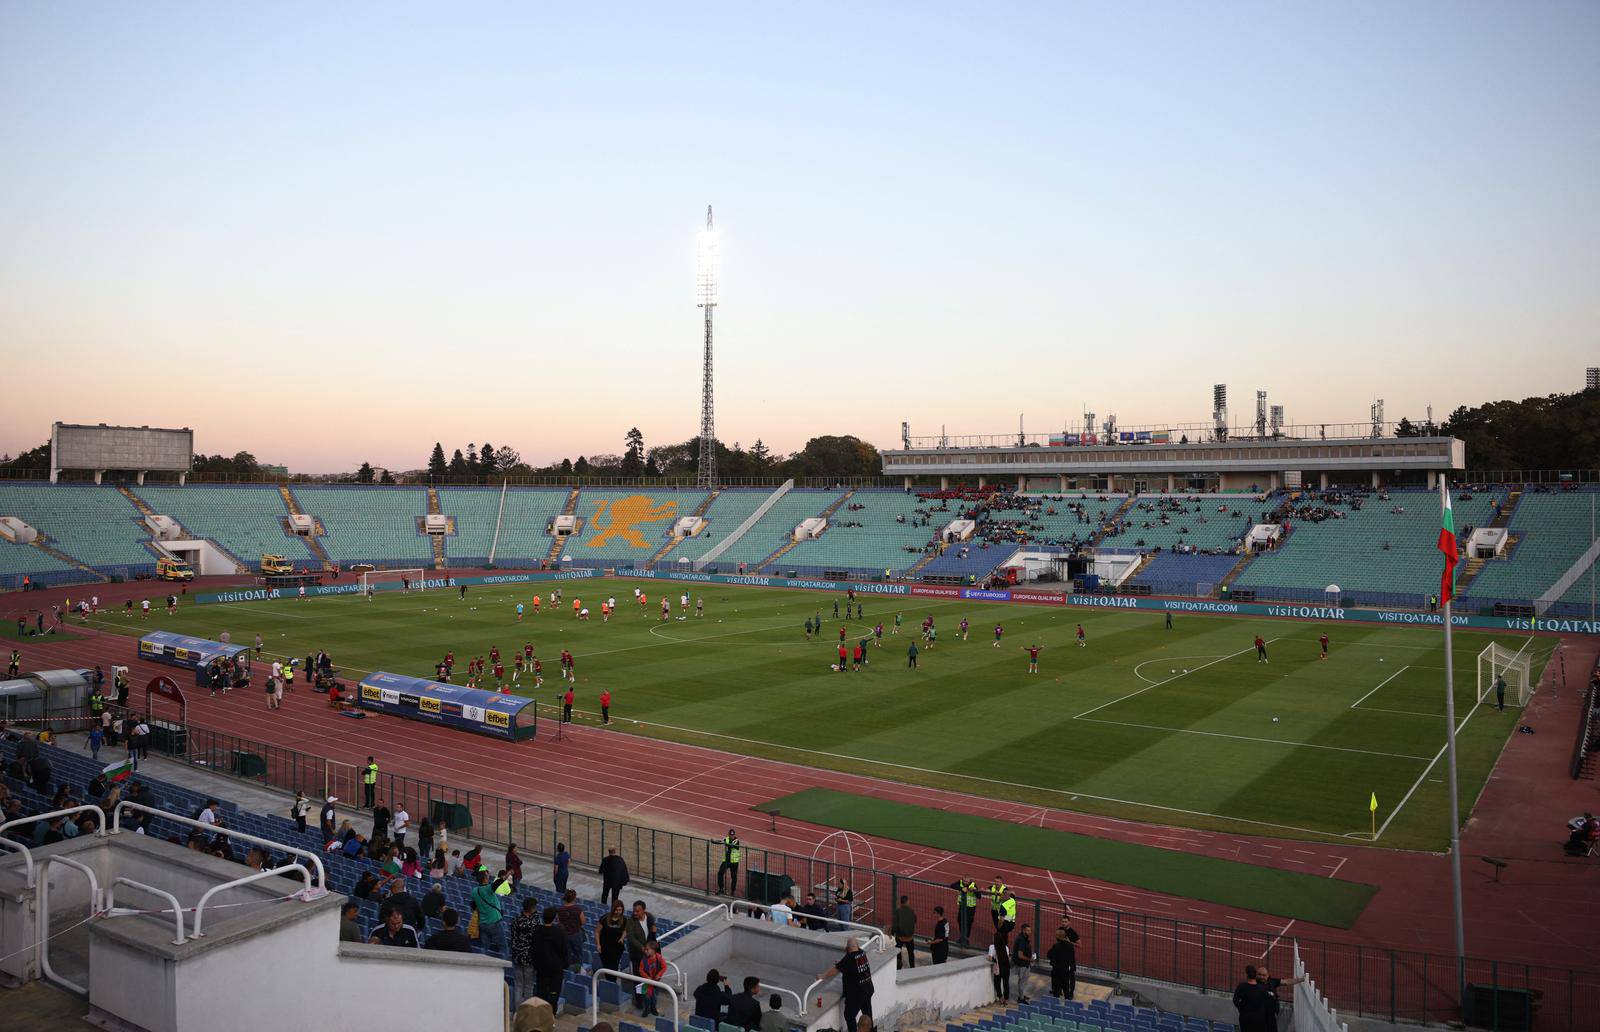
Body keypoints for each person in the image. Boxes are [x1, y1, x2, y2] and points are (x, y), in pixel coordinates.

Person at [817, 937, 875, 1032]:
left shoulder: (849, 957)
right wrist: (842, 963)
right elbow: (852, 965)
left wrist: (822, 976)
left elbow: (835, 970)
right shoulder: (862, 952)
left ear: (847, 949)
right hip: (868, 989)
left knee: (849, 1015)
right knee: (867, 1013)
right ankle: (871, 1030)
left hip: (857, 993)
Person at [531, 906, 571, 1008]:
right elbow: (564, 950)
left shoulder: (537, 931)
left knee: (542, 990)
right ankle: (551, 1013)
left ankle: (541, 1011)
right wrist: (565, 964)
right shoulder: (560, 932)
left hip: (541, 966)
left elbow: (533, 949)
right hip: (555, 967)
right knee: (554, 991)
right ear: (554, 918)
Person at [511, 898, 543, 1005]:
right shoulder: (534, 922)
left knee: (518, 985)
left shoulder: (516, 919)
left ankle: (517, 1011)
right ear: (532, 908)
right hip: (529, 957)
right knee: (528, 986)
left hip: (517, 955)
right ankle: (526, 1012)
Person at [472, 869, 507, 957]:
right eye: (487, 875)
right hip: (494, 922)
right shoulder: (488, 888)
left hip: (483, 923)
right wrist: (506, 875)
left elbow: (473, 905)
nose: (489, 876)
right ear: (484, 879)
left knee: (485, 948)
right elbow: (497, 883)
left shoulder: (475, 890)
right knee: (503, 947)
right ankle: (504, 967)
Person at [1233, 966, 1273, 1032]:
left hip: (1245, 1017)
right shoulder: (1262, 989)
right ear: (1255, 975)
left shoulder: (1242, 986)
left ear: (1247, 975)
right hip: (1259, 1019)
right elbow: (1267, 1004)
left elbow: (1235, 1001)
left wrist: (1242, 1009)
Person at [596, 899, 627, 980]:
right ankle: (608, 980)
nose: (618, 912)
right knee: (606, 966)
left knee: (614, 966)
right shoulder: (604, 918)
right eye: (616, 910)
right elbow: (597, 932)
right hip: (605, 947)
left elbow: (625, 930)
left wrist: (622, 938)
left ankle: (612, 982)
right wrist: (598, 944)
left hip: (617, 948)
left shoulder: (624, 920)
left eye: (620, 910)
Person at [636, 939, 668, 1017]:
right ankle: (647, 1009)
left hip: (655, 982)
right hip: (646, 982)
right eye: (645, 949)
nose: (645, 951)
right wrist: (647, 977)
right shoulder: (643, 959)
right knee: (646, 997)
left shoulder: (659, 957)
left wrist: (659, 975)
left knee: (654, 997)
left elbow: (664, 967)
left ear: (653, 950)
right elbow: (640, 970)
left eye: (647, 949)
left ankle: (653, 1008)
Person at [1048, 921, 1079, 999]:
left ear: (1059, 937)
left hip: (1058, 971)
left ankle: (1056, 1004)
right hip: (1067, 970)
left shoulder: (1056, 946)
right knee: (1066, 989)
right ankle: (1068, 999)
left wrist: (1053, 963)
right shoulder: (1070, 946)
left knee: (1057, 990)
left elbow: (1049, 955)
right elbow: (1072, 957)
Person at [557, 889, 586, 970]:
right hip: (576, 934)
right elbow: (583, 922)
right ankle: (578, 969)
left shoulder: (560, 910)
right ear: (574, 898)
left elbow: (559, 922)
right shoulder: (578, 909)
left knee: (567, 953)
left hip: (565, 935)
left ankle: (568, 970)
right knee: (578, 953)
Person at [625, 900, 656, 972]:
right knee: (638, 975)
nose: (635, 913)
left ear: (643, 910)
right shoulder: (630, 921)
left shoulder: (649, 917)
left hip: (648, 953)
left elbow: (652, 931)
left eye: (637, 911)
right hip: (636, 955)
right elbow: (631, 938)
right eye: (634, 911)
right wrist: (642, 948)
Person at [1012, 922, 1035, 1003]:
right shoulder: (1021, 940)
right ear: (1023, 931)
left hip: (1023, 964)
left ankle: (1021, 996)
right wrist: (1030, 959)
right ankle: (1021, 999)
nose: (1030, 932)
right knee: (1022, 982)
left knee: (1023, 982)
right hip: (1022, 965)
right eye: (1028, 930)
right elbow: (1020, 955)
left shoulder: (1023, 938)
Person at [891, 895, 917, 968]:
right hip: (910, 937)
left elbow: (895, 925)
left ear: (900, 902)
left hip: (900, 937)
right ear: (907, 902)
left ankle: (899, 967)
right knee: (911, 953)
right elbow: (915, 921)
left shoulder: (898, 911)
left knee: (898, 952)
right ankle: (912, 967)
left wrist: (892, 935)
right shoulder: (912, 911)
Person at [988, 929, 1012, 1002]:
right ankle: (1006, 999)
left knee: (997, 982)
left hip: (998, 967)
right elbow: (1008, 958)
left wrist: (994, 959)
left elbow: (990, 958)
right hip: (1006, 967)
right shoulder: (1006, 947)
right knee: (1006, 983)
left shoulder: (992, 947)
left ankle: (1000, 997)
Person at [953, 877, 978, 945]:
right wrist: (961, 888)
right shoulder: (960, 882)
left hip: (971, 907)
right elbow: (952, 885)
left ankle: (966, 938)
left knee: (968, 923)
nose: (965, 882)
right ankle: (962, 936)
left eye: (966, 881)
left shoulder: (973, 885)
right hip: (962, 906)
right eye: (964, 881)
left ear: (970, 881)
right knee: (960, 920)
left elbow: (979, 896)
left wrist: (975, 891)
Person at [717, 828, 741, 895]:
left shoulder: (737, 840)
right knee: (720, 873)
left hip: (734, 862)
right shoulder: (726, 839)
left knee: (733, 877)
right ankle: (721, 888)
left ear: (734, 835)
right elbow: (721, 841)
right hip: (726, 860)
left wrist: (725, 843)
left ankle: (733, 891)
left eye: (733, 835)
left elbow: (731, 845)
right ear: (729, 834)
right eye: (730, 835)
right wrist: (715, 842)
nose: (732, 836)